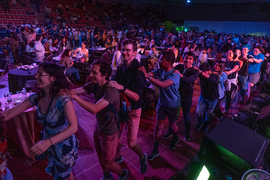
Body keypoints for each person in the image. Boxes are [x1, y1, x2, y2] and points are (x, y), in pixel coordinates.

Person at [1, 62, 79, 180]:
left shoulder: (63, 99)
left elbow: (74, 127)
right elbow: (8, 113)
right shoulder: (37, 97)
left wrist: (48, 142)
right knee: (62, 172)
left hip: (63, 145)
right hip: (48, 143)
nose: (36, 76)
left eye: (40, 74)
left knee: (64, 174)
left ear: (52, 78)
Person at [68, 60, 129, 180]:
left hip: (110, 132)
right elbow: (78, 91)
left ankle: (123, 174)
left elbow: (95, 109)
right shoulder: (95, 84)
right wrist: (63, 91)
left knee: (108, 162)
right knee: (101, 156)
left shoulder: (111, 90)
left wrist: (74, 97)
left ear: (104, 75)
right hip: (99, 127)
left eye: (94, 72)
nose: (90, 75)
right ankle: (107, 176)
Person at [110, 39, 147, 174]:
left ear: (134, 53)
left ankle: (143, 157)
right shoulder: (122, 67)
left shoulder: (139, 70)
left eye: (128, 50)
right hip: (123, 107)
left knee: (131, 143)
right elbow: (116, 82)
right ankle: (118, 156)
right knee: (117, 135)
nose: (124, 52)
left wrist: (121, 87)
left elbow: (137, 96)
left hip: (134, 109)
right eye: (123, 49)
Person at [138, 51, 181, 160]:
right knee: (158, 127)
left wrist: (148, 77)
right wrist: (145, 73)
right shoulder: (160, 71)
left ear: (168, 62)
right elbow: (151, 74)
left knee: (172, 126)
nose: (159, 61)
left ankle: (175, 137)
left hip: (173, 105)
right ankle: (155, 150)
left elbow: (163, 85)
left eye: (161, 59)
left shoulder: (175, 74)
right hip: (162, 104)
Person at [165, 51, 199, 141]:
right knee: (173, 115)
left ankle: (187, 133)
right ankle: (170, 131)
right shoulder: (179, 66)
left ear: (193, 61)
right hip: (176, 94)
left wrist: (179, 74)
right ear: (183, 58)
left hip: (186, 96)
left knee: (186, 115)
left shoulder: (195, 71)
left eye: (190, 59)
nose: (187, 60)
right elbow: (170, 73)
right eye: (186, 58)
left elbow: (189, 80)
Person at [195, 63, 220, 133]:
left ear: (209, 71)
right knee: (198, 112)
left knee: (208, 114)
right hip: (203, 96)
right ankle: (200, 123)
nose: (202, 73)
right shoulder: (202, 73)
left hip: (212, 98)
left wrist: (201, 72)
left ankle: (206, 125)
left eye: (204, 71)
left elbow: (211, 79)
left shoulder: (215, 75)